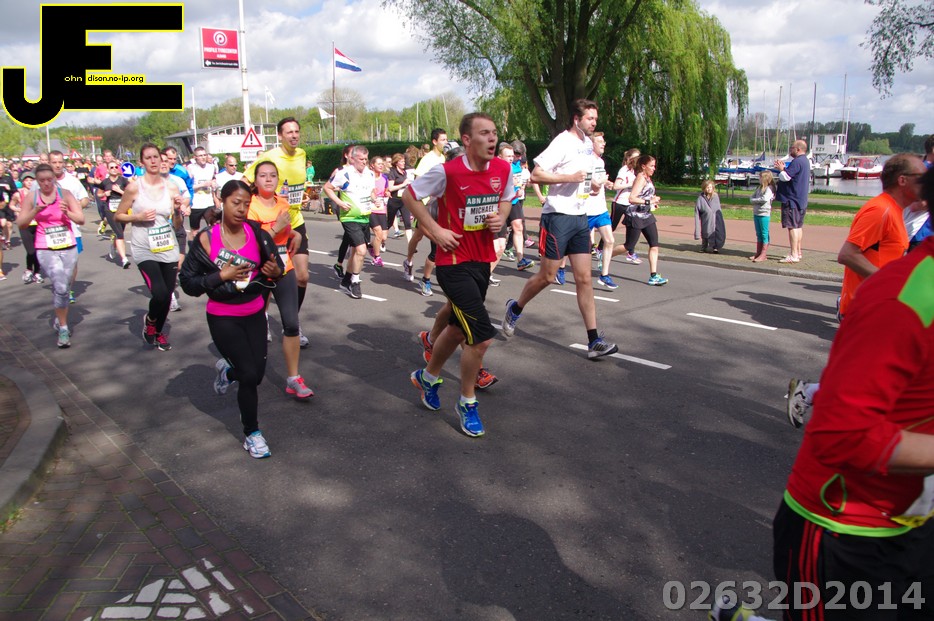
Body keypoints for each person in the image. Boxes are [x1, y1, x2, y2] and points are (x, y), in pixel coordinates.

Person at [784, 153, 925, 428]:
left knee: (872, 376)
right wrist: (890, 281)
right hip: (865, 309)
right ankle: (819, 406)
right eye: (923, 178)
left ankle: (812, 396)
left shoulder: (896, 210)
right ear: (903, 180)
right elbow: (847, 254)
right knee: (867, 379)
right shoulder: (881, 210)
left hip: (881, 308)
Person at [403, 113, 513, 437]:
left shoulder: (502, 169)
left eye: (494, 133)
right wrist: (436, 230)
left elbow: (507, 199)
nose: (492, 139)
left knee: (455, 328)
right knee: (481, 337)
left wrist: (500, 217)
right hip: (452, 263)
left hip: (481, 260)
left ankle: (427, 377)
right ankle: (467, 402)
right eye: (484, 133)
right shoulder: (447, 171)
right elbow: (409, 196)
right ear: (467, 139)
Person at [501, 99, 618, 359]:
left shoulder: (587, 145)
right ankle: (515, 308)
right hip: (557, 217)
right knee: (547, 276)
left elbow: (584, 176)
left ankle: (593, 341)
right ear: (577, 119)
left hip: (580, 217)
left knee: (584, 278)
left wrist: (592, 185)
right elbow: (537, 175)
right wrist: (570, 178)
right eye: (590, 118)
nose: (594, 123)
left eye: (595, 119)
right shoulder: (562, 142)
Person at [179, 180, 284, 459]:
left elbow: (277, 267)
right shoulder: (207, 239)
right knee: (248, 375)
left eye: (246, 204)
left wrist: (275, 271)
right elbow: (188, 283)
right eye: (235, 203)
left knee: (256, 375)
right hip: (223, 315)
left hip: (255, 312)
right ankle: (252, 433)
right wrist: (221, 276)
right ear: (222, 202)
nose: (241, 209)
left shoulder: (256, 233)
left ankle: (227, 372)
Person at [243, 118, 312, 347]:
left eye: (296, 131)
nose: (294, 135)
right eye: (289, 132)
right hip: (270, 222)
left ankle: (292, 321)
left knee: (302, 276)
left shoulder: (301, 154)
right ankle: (262, 318)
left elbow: (296, 186)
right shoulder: (270, 157)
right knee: (269, 277)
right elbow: (245, 181)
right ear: (280, 136)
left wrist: (297, 196)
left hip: (294, 222)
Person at [246, 160, 312, 399]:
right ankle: (244, 370)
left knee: (291, 324)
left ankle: (294, 378)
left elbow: (286, 231)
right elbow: (252, 243)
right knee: (252, 326)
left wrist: (293, 233)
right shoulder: (250, 206)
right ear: (255, 180)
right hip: (260, 271)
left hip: (284, 269)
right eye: (263, 175)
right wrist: (277, 228)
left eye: (272, 175)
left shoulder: (283, 203)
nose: (268, 179)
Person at [115, 143, 184, 352]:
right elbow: (118, 216)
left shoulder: (171, 187)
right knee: (160, 293)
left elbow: (177, 225)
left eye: (156, 157)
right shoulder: (134, 187)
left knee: (167, 293)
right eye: (148, 157)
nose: (153, 161)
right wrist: (137, 217)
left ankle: (158, 330)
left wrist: (178, 211)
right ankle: (151, 321)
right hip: (144, 247)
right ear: (141, 162)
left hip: (167, 246)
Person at [14, 164, 85, 348]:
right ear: (37, 182)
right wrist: (35, 211)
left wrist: (67, 212)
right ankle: (63, 328)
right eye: (42, 180)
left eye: (49, 179)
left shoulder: (65, 194)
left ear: (54, 179)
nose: (46, 183)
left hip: (68, 245)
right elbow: (21, 223)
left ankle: (59, 318)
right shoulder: (32, 197)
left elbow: (81, 219)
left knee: (65, 284)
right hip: (45, 247)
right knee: (60, 286)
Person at [323, 145, 377, 299]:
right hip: (349, 217)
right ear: (352, 159)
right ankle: (355, 281)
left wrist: (375, 199)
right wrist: (339, 203)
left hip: (364, 216)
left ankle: (346, 280)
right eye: (361, 159)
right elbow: (327, 188)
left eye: (366, 159)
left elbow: (371, 192)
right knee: (361, 250)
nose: (364, 162)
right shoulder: (344, 173)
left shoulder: (370, 174)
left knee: (355, 252)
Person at [606, 154, 668, 286]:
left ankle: (653, 276)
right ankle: (606, 257)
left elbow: (645, 195)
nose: (654, 168)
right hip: (635, 216)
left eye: (654, 166)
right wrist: (649, 201)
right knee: (628, 246)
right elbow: (632, 198)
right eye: (651, 166)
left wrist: (652, 202)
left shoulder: (648, 178)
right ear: (643, 166)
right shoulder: (640, 178)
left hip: (646, 215)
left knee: (654, 245)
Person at [402, 129, 448, 296]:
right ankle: (409, 261)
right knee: (418, 237)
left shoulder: (445, 158)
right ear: (434, 141)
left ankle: (425, 276)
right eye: (443, 139)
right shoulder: (427, 159)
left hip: (440, 206)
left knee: (426, 238)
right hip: (427, 206)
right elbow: (417, 183)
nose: (445, 142)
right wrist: (418, 207)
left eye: (447, 139)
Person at [774, 139, 810, 263]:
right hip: (801, 199)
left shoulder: (797, 161)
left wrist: (781, 169)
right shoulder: (805, 161)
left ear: (798, 149)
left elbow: (786, 177)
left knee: (792, 227)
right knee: (798, 226)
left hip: (792, 200)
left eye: (792, 148)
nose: (790, 150)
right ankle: (798, 252)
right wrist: (784, 168)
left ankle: (794, 254)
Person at [11, 171, 42, 283]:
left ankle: (37, 272)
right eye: (26, 180)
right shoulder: (18, 194)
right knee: (31, 250)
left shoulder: (39, 193)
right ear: (23, 182)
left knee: (38, 250)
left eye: (31, 180)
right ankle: (29, 269)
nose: (29, 182)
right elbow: (11, 205)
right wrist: (18, 209)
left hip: (38, 224)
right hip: (25, 225)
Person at [99, 159, 130, 268]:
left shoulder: (123, 180)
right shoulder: (105, 182)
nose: (114, 169)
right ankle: (124, 259)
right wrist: (105, 194)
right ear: (108, 170)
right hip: (110, 210)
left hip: (122, 209)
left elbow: (130, 194)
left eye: (116, 167)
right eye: (111, 167)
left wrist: (119, 191)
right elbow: (98, 194)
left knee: (120, 231)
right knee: (120, 234)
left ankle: (113, 246)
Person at [749, 170, 775, 262]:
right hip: (757, 213)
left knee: (764, 233)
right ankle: (758, 252)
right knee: (758, 233)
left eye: (760, 177)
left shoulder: (769, 188)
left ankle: (763, 254)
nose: (758, 179)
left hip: (764, 213)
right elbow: (752, 197)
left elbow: (764, 199)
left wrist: (754, 200)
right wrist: (754, 200)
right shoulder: (759, 188)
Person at [694, 179, 724, 253]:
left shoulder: (715, 196)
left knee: (716, 232)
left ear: (713, 188)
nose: (709, 189)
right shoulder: (700, 198)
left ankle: (715, 247)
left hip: (715, 219)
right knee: (705, 231)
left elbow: (718, 208)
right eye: (707, 187)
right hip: (705, 218)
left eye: (710, 187)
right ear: (704, 188)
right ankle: (704, 246)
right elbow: (697, 211)